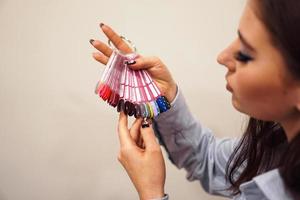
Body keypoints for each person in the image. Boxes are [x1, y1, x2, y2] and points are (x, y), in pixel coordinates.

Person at [90, 0, 300, 199]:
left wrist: (151, 193)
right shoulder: (277, 146)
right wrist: (163, 98)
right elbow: (205, 157)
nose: (222, 57)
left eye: (245, 54)